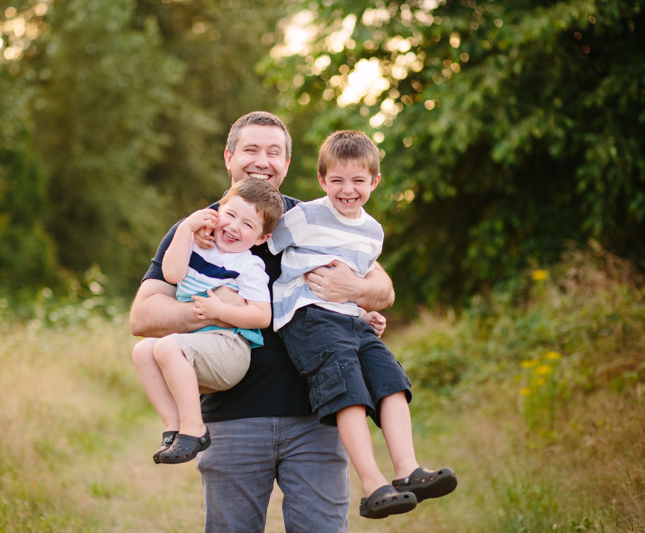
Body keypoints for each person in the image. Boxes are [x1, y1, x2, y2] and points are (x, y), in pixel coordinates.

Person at [129, 111, 394, 532]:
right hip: (233, 419)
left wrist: (355, 294)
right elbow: (143, 316)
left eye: (274, 153)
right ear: (229, 157)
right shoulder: (198, 230)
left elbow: (382, 285)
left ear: (287, 165)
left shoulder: (312, 221)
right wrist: (213, 305)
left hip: (317, 418)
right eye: (251, 149)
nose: (262, 161)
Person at [269, 130, 457, 519]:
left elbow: (365, 279)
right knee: (349, 390)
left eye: (358, 180)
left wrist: (363, 307)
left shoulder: (373, 232)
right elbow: (261, 238)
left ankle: (408, 470)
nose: (347, 189)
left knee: (391, 382)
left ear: (374, 181)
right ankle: (373, 485)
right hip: (309, 317)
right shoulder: (303, 216)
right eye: (337, 180)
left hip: (351, 320)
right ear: (322, 180)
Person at [131, 178, 284, 465]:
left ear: (262, 238)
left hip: (229, 349)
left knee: (165, 347)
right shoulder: (196, 245)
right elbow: (173, 275)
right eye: (230, 215)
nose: (235, 227)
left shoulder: (249, 266)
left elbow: (262, 316)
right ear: (217, 210)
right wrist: (186, 228)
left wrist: (220, 311)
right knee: (142, 351)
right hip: (197, 345)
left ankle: (195, 429)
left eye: (248, 225)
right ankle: (174, 426)